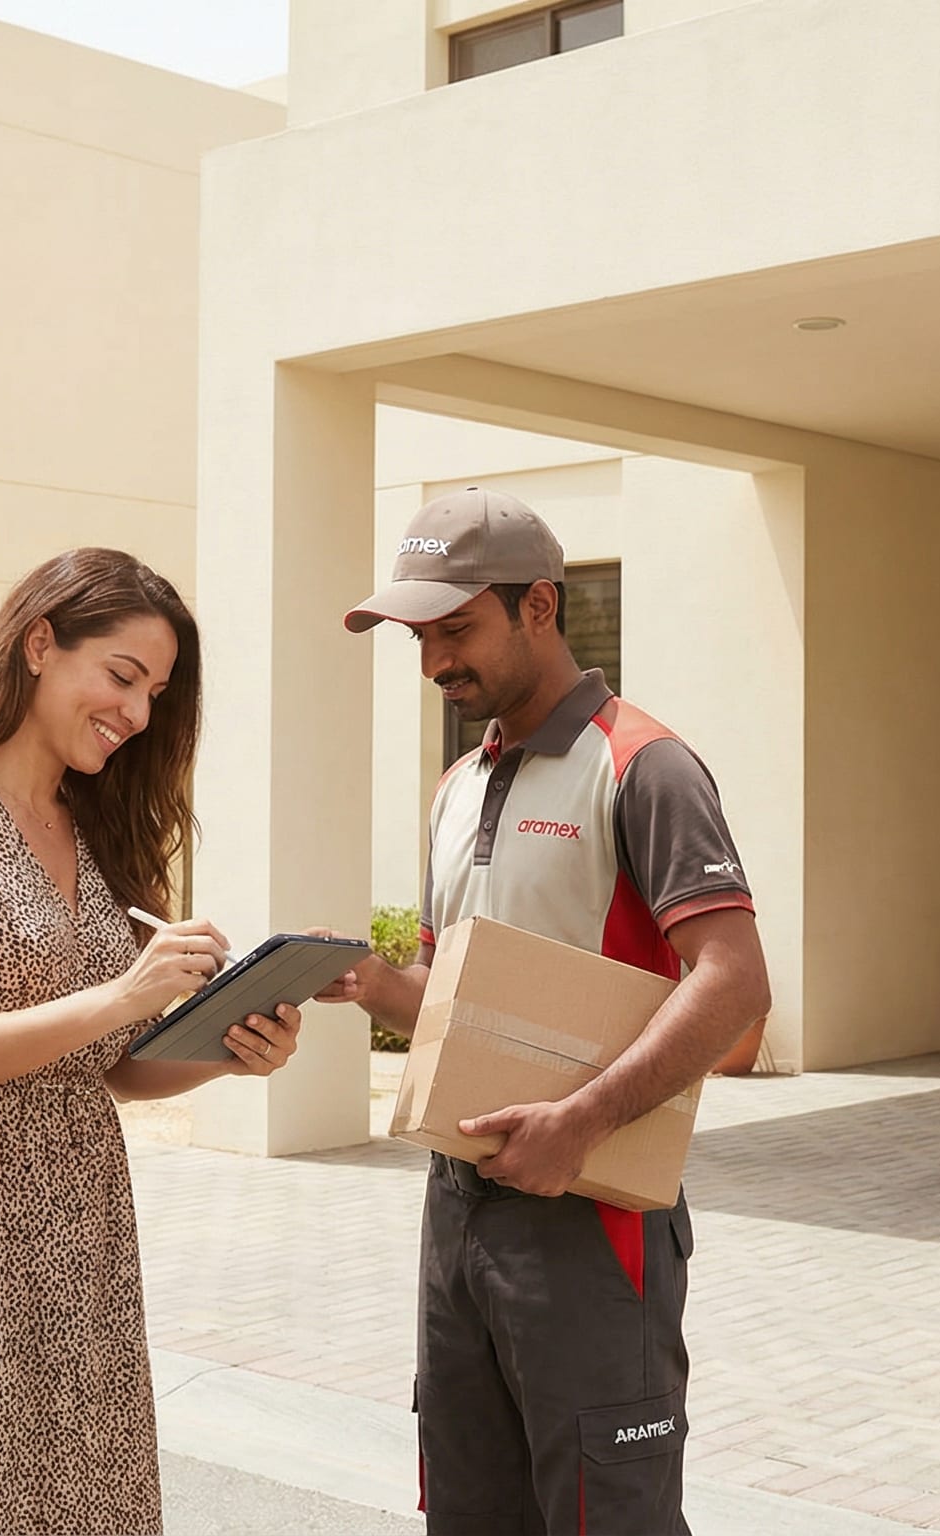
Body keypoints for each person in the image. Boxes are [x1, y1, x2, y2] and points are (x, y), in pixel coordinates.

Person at [0, 547, 305, 1536]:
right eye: (121, 675)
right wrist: (123, 992)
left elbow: (111, 1068)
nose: (136, 712)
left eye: (155, 693)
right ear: (40, 644)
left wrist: (224, 1042)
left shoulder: (95, 833)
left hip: (79, 1247)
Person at [325, 487, 770, 1535]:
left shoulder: (643, 766)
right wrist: (373, 987)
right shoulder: (453, 789)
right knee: (469, 1513)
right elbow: (460, 1001)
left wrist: (582, 1120)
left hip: (593, 1221)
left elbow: (735, 981)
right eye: (420, 638)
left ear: (537, 604)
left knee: (599, 1516)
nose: (436, 662)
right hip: (458, 1210)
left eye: (456, 629)